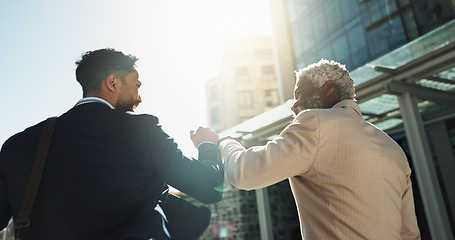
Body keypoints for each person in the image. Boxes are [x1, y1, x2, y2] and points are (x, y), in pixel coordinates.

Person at [0, 48, 223, 240]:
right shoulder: (142, 130)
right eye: (136, 85)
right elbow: (207, 187)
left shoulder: (18, 145)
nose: (139, 97)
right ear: (113, 82)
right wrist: (207, 145)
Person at [218, 59, 421, 239]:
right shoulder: (394, 149)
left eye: (299, 95)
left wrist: (224, 141)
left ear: (328, 89)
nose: (294, 105)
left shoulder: (315, 124)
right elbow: (409, 234)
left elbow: (245, 172)